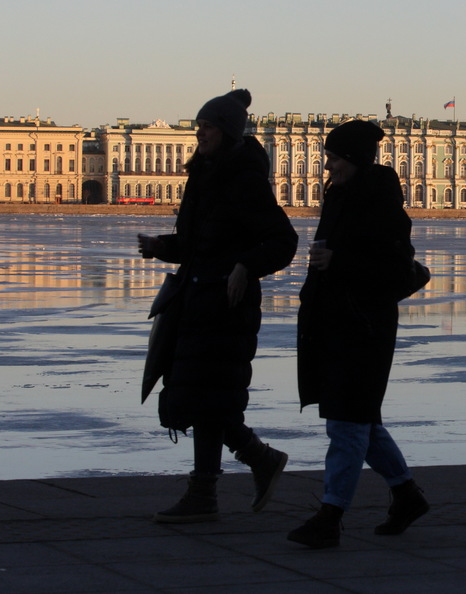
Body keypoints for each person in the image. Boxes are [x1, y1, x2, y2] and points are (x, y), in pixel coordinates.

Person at [137, 89, 299, 523]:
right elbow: (195, 244)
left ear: (226, 131)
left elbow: (283, 242)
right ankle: (230, 479)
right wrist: (160, 246)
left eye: (207, 125)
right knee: (199, 398)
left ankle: (223, 482)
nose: (199, 132)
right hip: (195, 303)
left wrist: (246, 266)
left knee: (207, 400)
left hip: (228, 309)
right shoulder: (204, 176)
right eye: (199, 125)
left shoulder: (245, 180)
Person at [287, 119, 428, 548]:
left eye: (334, 158)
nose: (327, 166)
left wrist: (338, 262)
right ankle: (406, 496)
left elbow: (394, 268)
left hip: (365, 326)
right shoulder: (341, 197)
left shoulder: (382, 206)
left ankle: (330, 516)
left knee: (347, 424)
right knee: (360, 420)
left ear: (353, 159)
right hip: (335, 319)